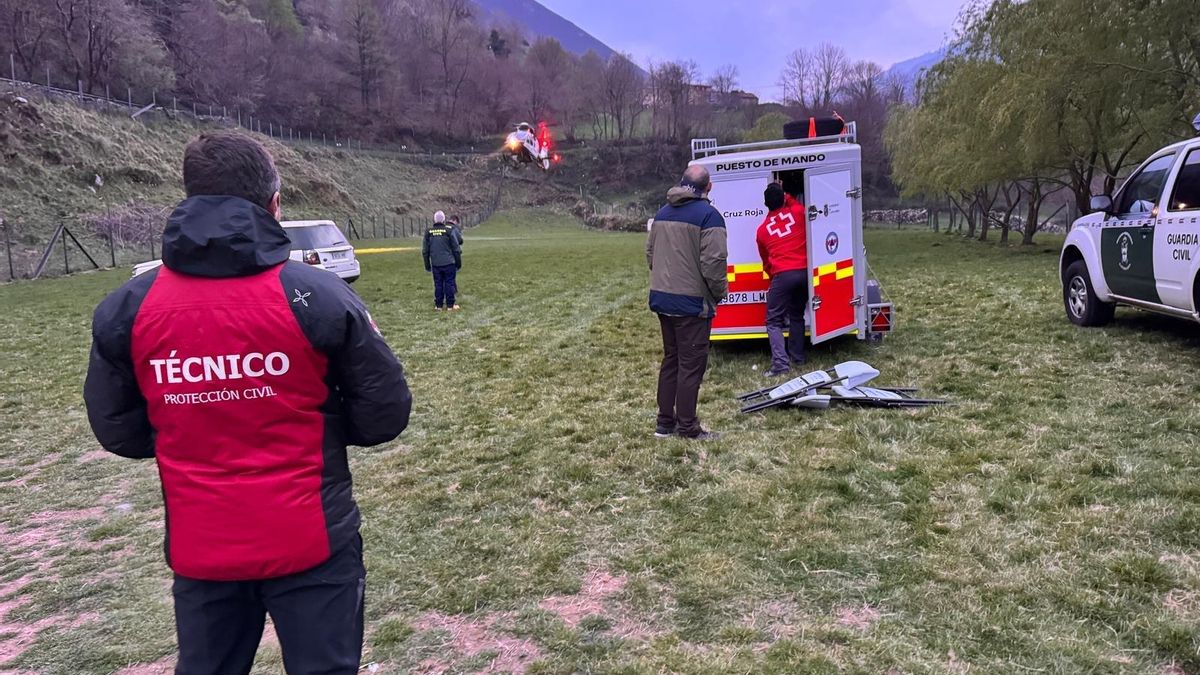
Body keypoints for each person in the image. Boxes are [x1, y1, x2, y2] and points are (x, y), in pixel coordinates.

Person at [83, 131, 412, 674]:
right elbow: (384, 410)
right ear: (274, 205)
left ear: (188, 198)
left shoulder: (128, 307)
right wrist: (310, 425)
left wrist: (193, 421)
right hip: (311, 540)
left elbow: (118, 427)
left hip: (204, 544)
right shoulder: (318, 294)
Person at [646, 165, 727, 441]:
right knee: (691, 365)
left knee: (672, 360)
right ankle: (688, 427)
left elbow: (650, 255)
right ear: (709, 187)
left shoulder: (661, 213)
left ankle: (664, 423)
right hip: (692, 304)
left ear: (681, 183)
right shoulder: (709, 217)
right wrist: (717, 293)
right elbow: (714, 263)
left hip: (662, 298)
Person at [756, 183, 809, 377]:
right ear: (784, 198)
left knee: (773, 321)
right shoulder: (798, 213)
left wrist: (774, 279)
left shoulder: (762, 231)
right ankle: (798, 357)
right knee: (797, 314)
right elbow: (794, 203)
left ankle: (780, 365)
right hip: (805, 273)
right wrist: (786, 194)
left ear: (765, 204)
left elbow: (766, 262)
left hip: (783, 275)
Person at [423, 210, 461, 310]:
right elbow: (456, 248)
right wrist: (458, 263)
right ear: (444, 220)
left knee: (438, 284)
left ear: (434, 220)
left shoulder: (428, 232)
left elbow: (425, 251)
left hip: (436, 264)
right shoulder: (448, 231)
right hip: (449, 262)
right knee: (449, 283)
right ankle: (450, 305)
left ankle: (438, 305)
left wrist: (427, 265)